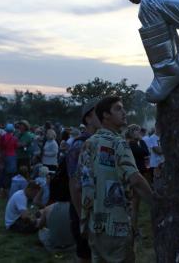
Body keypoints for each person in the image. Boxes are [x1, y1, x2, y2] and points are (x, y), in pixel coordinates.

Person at [79, 96, 155, 262]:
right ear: (106, 115)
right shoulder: (119, 143)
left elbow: (84, 184)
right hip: (117, 226)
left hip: (94, 225)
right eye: (118, 108)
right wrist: (157, 204)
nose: (124, 112)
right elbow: (135, 179)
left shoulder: (88, 144)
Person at [68, 97, 101, 263]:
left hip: (99, 211)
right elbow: (74, 186)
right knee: (86, 256)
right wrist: (83, 218)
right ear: (88, 118)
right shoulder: (79, 145)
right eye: (99, 112)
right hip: (83, 211)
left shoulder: (102, 141)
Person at [125, 124, 150, 235]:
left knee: (136, 203)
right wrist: (142, 141)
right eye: (137, 131)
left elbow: (146, 152)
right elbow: (144, 152)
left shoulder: (137, 143)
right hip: (135, 175)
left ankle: (133, 227)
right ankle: (133, 229)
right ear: (132, 132)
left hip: (140, 174)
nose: (139, 133)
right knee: (134, 204)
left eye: (139, 131)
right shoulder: (131, 144)